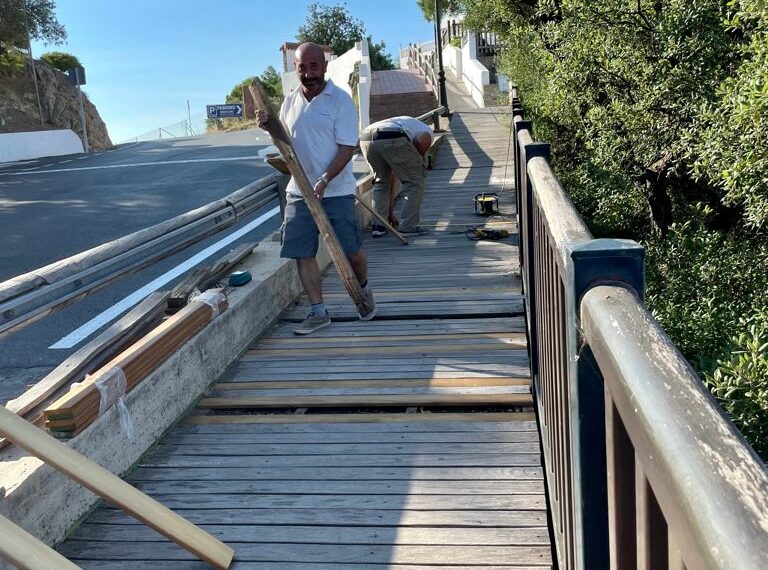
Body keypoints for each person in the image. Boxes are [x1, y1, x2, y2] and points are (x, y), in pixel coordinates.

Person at [257, 42, 375, 335]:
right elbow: (284, 139)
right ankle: (318, 311)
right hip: (299, 190)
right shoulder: (290, 101)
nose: (308, 73)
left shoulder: (340, 101)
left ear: (323, 66)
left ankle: (363, 288)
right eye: (302, 67)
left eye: (314, 66)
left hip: (336, 190)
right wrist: (268, 127)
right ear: (295, 69)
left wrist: (323, 180)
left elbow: (347, 149)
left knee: (352, 251)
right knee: (302, 252)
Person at [359, 116, 433, 237]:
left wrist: (390, 211)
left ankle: (379, 225)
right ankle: (408, 227)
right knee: (415, 182)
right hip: (392, 136)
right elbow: (420, 143)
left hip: (366, 138)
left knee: (381, 182)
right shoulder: (427, 131)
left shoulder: (407, 124)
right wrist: (417, 163)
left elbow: (394, 175)